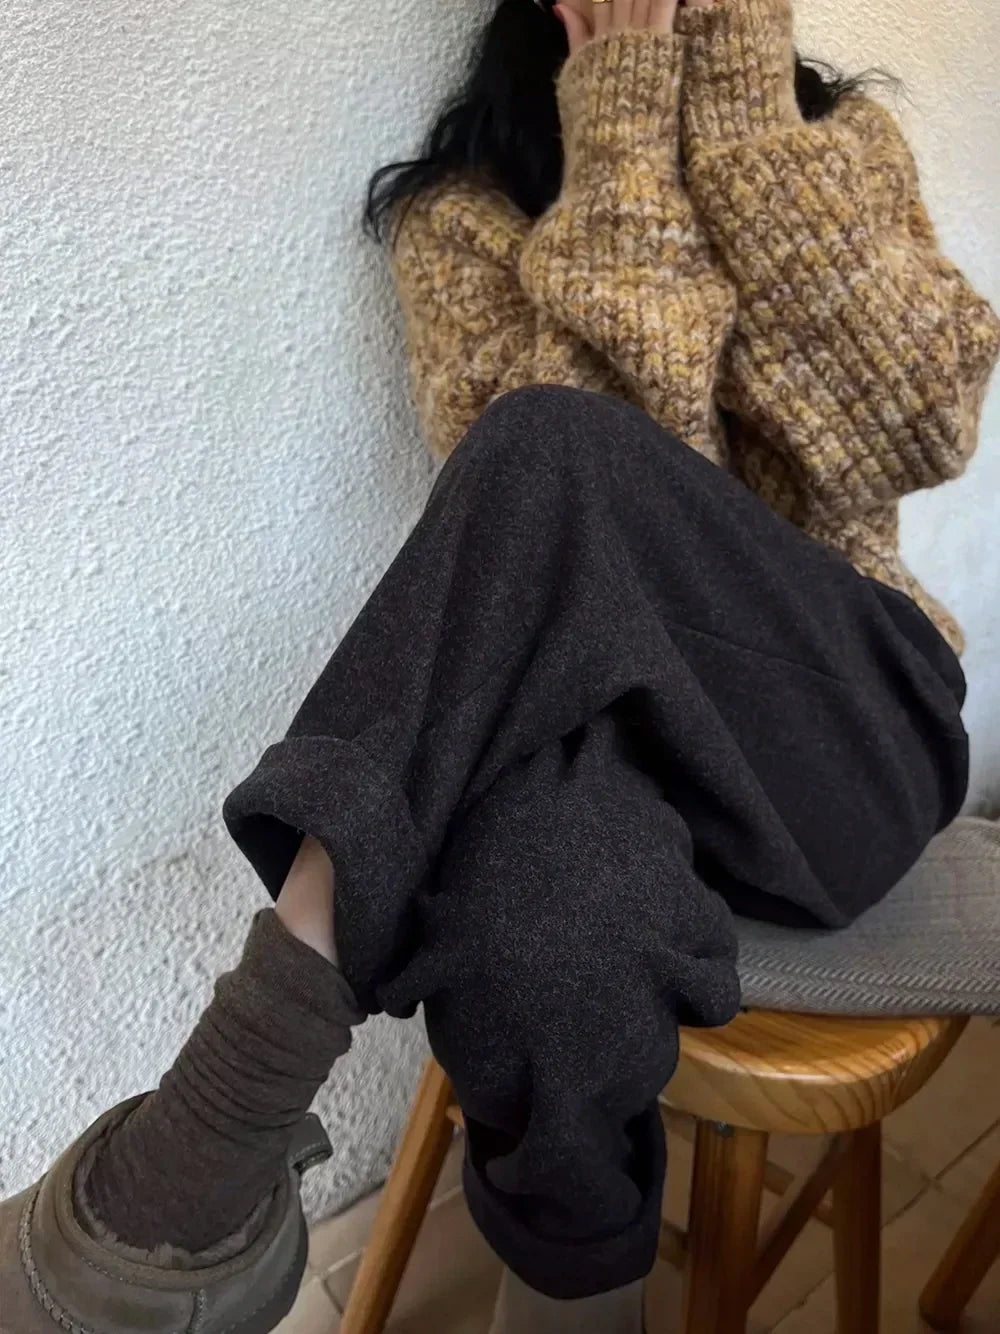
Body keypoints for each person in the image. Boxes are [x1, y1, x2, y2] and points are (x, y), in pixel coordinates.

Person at [3, 0, 998, 1331]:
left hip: (840, 740)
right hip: (615, 771)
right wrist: (620, 138)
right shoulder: (460, 221)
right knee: (541, 901)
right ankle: (573, 1301)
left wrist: (745, 126)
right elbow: (575, 550)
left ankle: (232, 1098)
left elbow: (917, 426)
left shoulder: (840, 145)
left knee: (549, 445)